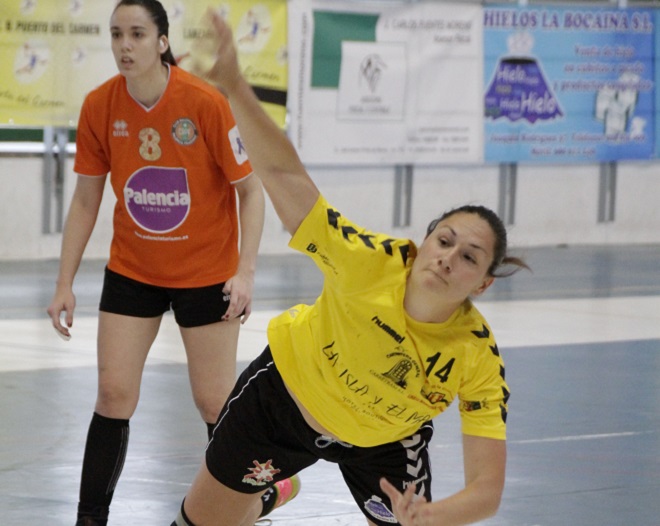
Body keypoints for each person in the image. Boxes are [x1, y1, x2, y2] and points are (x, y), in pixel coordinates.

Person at [171, 12, 530, 526]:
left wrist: (430, 516)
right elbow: (284, 174)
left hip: (383, 442)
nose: (449, 257)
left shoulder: (475, 354)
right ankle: (271, 494)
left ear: (484, 283)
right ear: (423, 243)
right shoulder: (369, 261)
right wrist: (233, 85)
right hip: (284, 403)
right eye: (444, 240)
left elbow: (487, 491)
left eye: (469, 256)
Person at [45, 2, 266, 525]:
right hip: (134, 271)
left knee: (215, 404)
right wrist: (63, 282)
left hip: (206, 274)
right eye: (116, 34)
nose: (125, 45)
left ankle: (248, 508)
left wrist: (244, 272)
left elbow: (251, 192)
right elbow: (86, 199)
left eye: (138, 34)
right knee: (113, 393)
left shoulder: (204, 102)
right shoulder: (100, 105)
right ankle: (90, 518)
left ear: (162, 41)